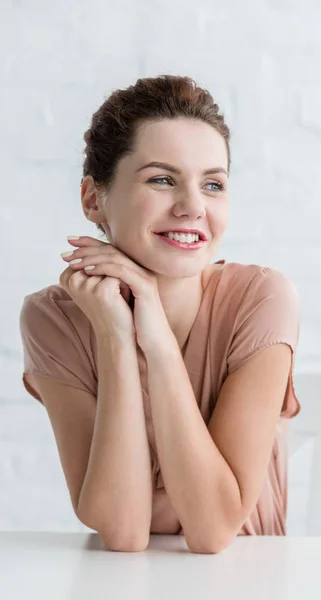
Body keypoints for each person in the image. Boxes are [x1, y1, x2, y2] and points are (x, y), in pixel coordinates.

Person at [19, 74, 301, 554]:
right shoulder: (55, 319)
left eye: (213, 184)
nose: (193, 207)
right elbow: (124, 531)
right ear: (93, 199)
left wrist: (155, 336)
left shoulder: (261, 298)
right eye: (162, 179)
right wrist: (114, 335)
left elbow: (211, 530)